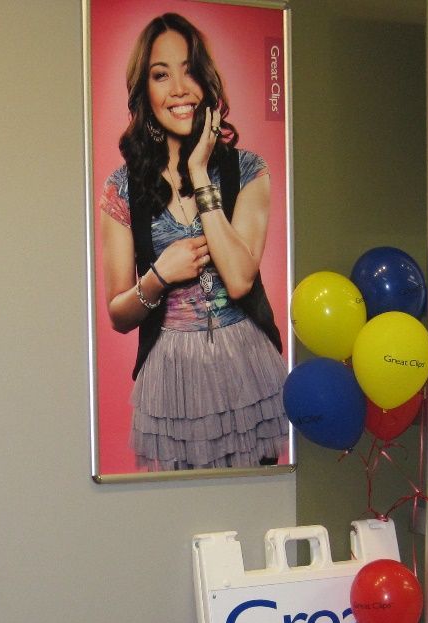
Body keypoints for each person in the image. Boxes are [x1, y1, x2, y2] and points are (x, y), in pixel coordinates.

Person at [99, 12, 287, 472]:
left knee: (253, 499)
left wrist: (200, 174)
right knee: (180, 503)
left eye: (189, 71)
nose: (179, 89)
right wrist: (160, 275)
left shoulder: (247, 169)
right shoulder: (121, 188)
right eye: (161, 75)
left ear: (206, 81)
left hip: (245, 367)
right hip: (172, 376)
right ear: (145, 91)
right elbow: (118, 314)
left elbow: (239, 280)